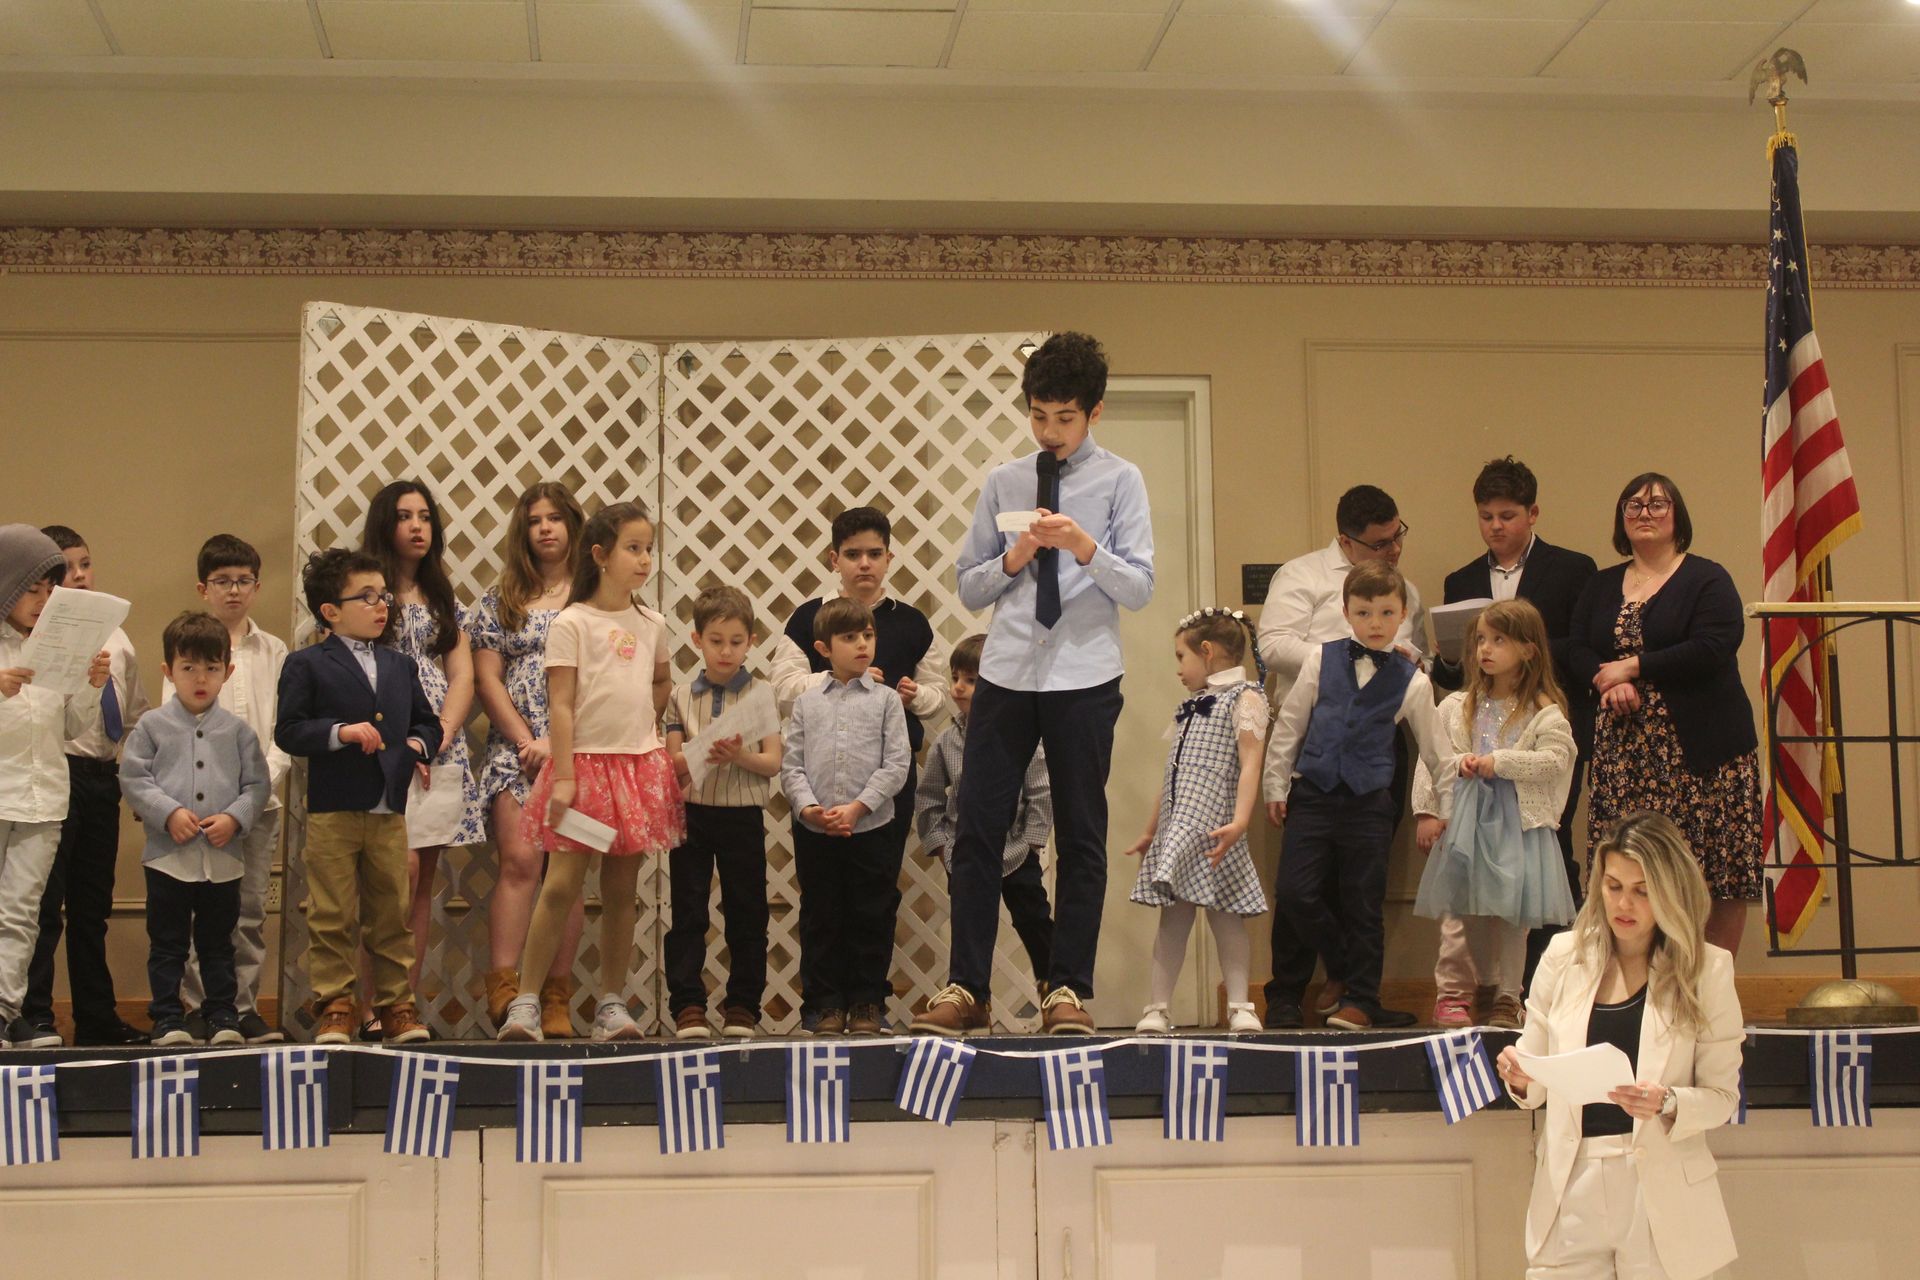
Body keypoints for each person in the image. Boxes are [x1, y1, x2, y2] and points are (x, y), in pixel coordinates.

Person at [914, 331, 1154, 1037]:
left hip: (1085, 672)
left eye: (1065, 417)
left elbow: (1139, 587)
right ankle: (967, 987)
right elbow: (969, 585)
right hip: (1009, 669)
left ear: (1094, 412)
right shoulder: (1005, 480)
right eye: (1039, 415)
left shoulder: (1121, 481)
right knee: (976, 826)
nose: (1050, 431)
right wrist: (1015, 557)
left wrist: (1084, 547)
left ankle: (1066, 988)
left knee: (1081, 832)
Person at [1496, 811, 1742, 1280]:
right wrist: (1521, 1075)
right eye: (1613, 886)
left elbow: (1722, 1097)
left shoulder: (1707, 969)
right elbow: (1535, 1077)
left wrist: (1667, 1101)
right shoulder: (1563, 956)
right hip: (1571, 1182)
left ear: (1669, 891)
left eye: (1642, 891)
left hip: (1661, 1189)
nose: (1624, 904)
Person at [497, 502, 683, 1043]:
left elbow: (661, 680)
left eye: (648, 549)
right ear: (600, 555)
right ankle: (526, 1003)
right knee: (561, 884)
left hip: (635, 775)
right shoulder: (572, 622)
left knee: (621, 891)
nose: (644, 560)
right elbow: (560, 704)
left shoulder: (653, 624)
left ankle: (610, 1004)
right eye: (633, 548)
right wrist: (564, 775)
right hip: (583, 775)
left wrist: (644, 727)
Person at [1422, 457, 1597, 1024]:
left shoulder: (1572, 569)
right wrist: (1454, 657)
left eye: (1507, 515)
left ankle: (1531, 990)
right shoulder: (1461, 580)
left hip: (1531, 734)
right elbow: (1450, 696)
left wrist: (1527, 650)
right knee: (1465, 895)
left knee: (1541, 873)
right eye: (1486, 516)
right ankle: (1466, 990)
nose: (1495, 526)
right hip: (1475, 764)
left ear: (1532, 513)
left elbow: (1581, 648)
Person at [1570, 473, 1762, 957]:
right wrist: (1607, 679)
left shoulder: (1707, 578)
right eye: (1633, 505)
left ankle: (1710, 984)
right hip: (1625, 760)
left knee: (1716, 874)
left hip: (1704, 757)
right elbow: (1575, 646)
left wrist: (1633, 667)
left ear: (1678, 516)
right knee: (1631, 873)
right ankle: (1643, 985)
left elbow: (1715, 645)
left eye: (1658, 504)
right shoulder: (1601, 584)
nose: (1645, 513)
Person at [771, 505, 946, 1033]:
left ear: (889, 557)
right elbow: (783, 687)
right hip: (818, 792)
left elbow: (939, 694)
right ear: (835, 559)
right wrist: (841, 678)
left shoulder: (911, 622)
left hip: (883, 791)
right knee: (821, 901)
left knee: (875, 896)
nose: (864, 564)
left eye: (874, 553)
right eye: (853, 554)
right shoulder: (807, 618)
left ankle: (869, 1000)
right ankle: (823, 1002)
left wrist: (914, 697)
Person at [1254, 484, 1423, 1028]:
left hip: (1377, 738)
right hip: (1315, 734)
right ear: (1348, 541)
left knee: (1362, 883)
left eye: (1397, 536)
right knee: (1298, 885)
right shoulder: (1301, 575)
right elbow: (1272, 644)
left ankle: (1357, 992)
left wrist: (1394, 658)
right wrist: (1343, 658)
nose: (1393, 549)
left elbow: (1409, 652)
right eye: (1380, 543)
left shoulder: (1405, 589)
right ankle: (1289, 993)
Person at [275, 548, 442, 1045]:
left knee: (391, 910)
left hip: (388, 806)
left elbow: (427, 723)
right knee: (332, 912)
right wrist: (340, 732)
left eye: (383, 596)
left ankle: (396, 1006)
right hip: (334, 807)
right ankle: (336, 1005)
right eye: (365, 597)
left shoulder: (399, 665)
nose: (380, 606)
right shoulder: (306, 663)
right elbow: (289, 731)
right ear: (330, 611)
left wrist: (417, 746)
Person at [1412, 600, 1578, 1029]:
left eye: (1499, 640)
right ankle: (1469, 988)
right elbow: (1433, 758)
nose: (1485, 649)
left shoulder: (1543, 711)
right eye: (1481, 640)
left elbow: (1557, 760)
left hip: (1515, 826)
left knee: (1511, 916)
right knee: (1462, 910)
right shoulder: (1458, 706)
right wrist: (1429, 808)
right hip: (1466, 823)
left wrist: (1499, 762)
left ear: (1528, 649)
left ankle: (1507, 995)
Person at [363, 480, 487, 1027]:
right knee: (395, 878)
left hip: (439, 746)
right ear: (384, 524)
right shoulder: (367, 592)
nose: (417, 526)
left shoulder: (443, 599)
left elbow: (462, 677)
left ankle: (400, 1007)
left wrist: (438, 734)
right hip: (382, 744)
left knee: (422, 883)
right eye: (404, 516)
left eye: (424, 516)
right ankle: (369, 1004)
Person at [23, 525, 151, 1047]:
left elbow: (136, 714)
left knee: (92, 907)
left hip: (103, 776)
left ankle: (96, 1017)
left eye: (85, 564)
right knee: (43, 905)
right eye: (65, 569)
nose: (78, 576)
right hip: (58, 774)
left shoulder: (116, 635)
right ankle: (35, 1014)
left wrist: (135, 780)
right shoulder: (37, 636)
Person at [469, 481, 588, 1036]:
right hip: (514, 755)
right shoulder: (502, 599)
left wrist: (559, 744)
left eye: (555, 518)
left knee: (566, 874)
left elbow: (609, 679)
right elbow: (487, 677)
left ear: (573, 526)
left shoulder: (594, 597)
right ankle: (506, 988)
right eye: (535, 520)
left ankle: (555, 995)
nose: (545, 528)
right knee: (519, 864)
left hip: (580, 753)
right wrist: (525, 741)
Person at [120, 611, 270, 1047]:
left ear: (228, 672)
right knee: (167, 943)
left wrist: (234, 817)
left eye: (211, 667)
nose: (200, 678)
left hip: (222, 861)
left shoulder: (239, 732)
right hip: (167, 859)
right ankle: (168, 1018)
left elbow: (257, 785)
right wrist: (167, 813)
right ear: (168, 671)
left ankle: (222, 1014)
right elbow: (133, 778)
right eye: (188, 667)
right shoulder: (151, 726)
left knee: (218, 942)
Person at [1125, 608, 1269, 1036]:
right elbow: (1171, 772)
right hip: (1181, 827)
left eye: (1181, 657)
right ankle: (1159, 1007)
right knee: (1173, 919)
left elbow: (1251, 763)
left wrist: (1240, 821)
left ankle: (1240, 1005)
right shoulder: (1189, 706)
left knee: (1226, 917)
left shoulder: (1245, 699)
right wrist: (1152, 829)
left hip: (1217, 828)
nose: (1178, 669)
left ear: (1206, 651)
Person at [172, 534, 292, 1045]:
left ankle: (242, 1007)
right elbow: (174, 727)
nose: (234, 590)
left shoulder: (274, 650)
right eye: (222, 581)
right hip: (200, 806)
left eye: (244, 580)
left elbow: (283, 731)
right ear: (204, 588)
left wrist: (254, 791)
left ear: (257, 587)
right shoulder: (187, 645)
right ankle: (200, 1007)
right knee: (199, 910)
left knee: (248, 910)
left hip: (259, 805)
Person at [0, 525, 110, 1049]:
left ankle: (6, 1011)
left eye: (49, 590)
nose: (42, 601)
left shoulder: (52, 643)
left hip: (44, 797)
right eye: (31, 590)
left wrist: (91, 686)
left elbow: (71, 727)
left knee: (23, 912)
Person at [780, 598, 911, 1037]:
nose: (862, 645)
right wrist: (809, 809)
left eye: (868, 635)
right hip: (816, 831)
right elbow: (792, 766)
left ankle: (866, 1002)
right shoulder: (806, 702)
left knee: (872, 915)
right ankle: (824, 1005)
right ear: (824, 648)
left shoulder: (887, 701)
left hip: (871, 827)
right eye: (849, 637)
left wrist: (858, 807)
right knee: (821, 916)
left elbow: (897, 764)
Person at [662, 586, 782, 1040]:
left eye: (736, 641)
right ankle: (688, 1005)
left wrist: (738, 756)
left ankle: (743, 1006)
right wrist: (700, 753)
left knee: (747, 912)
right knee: (688, 912)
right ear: (697, 640)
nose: (726, 651)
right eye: (716, 641)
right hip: (692, 814)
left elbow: (772, 762)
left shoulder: (762, 693)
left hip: (742, 815)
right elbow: (672, 764)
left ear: (751, 641)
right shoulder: (680, 695)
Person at [914, 633, 1053, 1008]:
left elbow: (1040, 791)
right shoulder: (947, 742)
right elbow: (929, 797)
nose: (958, 688)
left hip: (1016, 850)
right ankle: (974, 998)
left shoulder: (1024, 738)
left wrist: (1033, 840)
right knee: (969, 923)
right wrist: (941, 844)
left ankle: (1053, 986)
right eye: (955, 677)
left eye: (972, 680)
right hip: (965, 854)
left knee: (1034, 918)